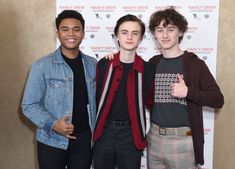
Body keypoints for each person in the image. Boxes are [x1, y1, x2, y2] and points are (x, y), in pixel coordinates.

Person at [147, 8, 224, 169]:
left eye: (171, 29)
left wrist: (188, 92)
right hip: (154, 139)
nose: (165, 35)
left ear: (180, 32)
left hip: (182, 142)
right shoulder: (152, 63)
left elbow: (218, 99)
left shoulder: (194, 64)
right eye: (160, 30)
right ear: (154, 34)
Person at [21, 10, 97, 169]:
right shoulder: (41, 66)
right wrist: (53, 124)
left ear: (83, 33)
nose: (71, 33)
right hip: (51, 140)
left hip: (84, 141)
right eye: (65, 29)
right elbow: (29, 105)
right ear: (57, 33)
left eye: (76, 29)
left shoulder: (93, 65)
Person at [92, 14, 155, 169]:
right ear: (116, 36)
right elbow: (93, 96)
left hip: (131, 133)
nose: (129, 37)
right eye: (124, 32)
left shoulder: (147, 69)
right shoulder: (104, 64)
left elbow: (152, 102)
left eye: (135, 33)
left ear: (141, 38)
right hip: (104, 131)